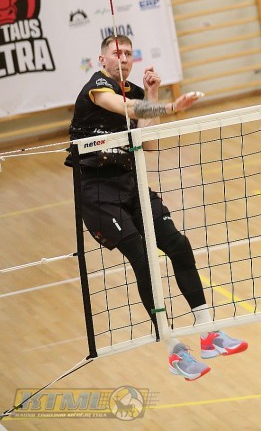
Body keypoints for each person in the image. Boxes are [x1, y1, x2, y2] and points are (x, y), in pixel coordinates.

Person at [68, 34, 247, 381]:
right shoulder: (97, 89)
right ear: (102, 60)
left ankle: (209, 332)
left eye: (127, 53)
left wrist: (151, 95)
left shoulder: (136, 93)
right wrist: (168, 107)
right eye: (116, 53)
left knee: (178, 244)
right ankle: (173, 349)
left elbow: (148, 144)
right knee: (142, 257)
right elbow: (126, 109)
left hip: (132, 185)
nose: (123, 58)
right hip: (98, 194)